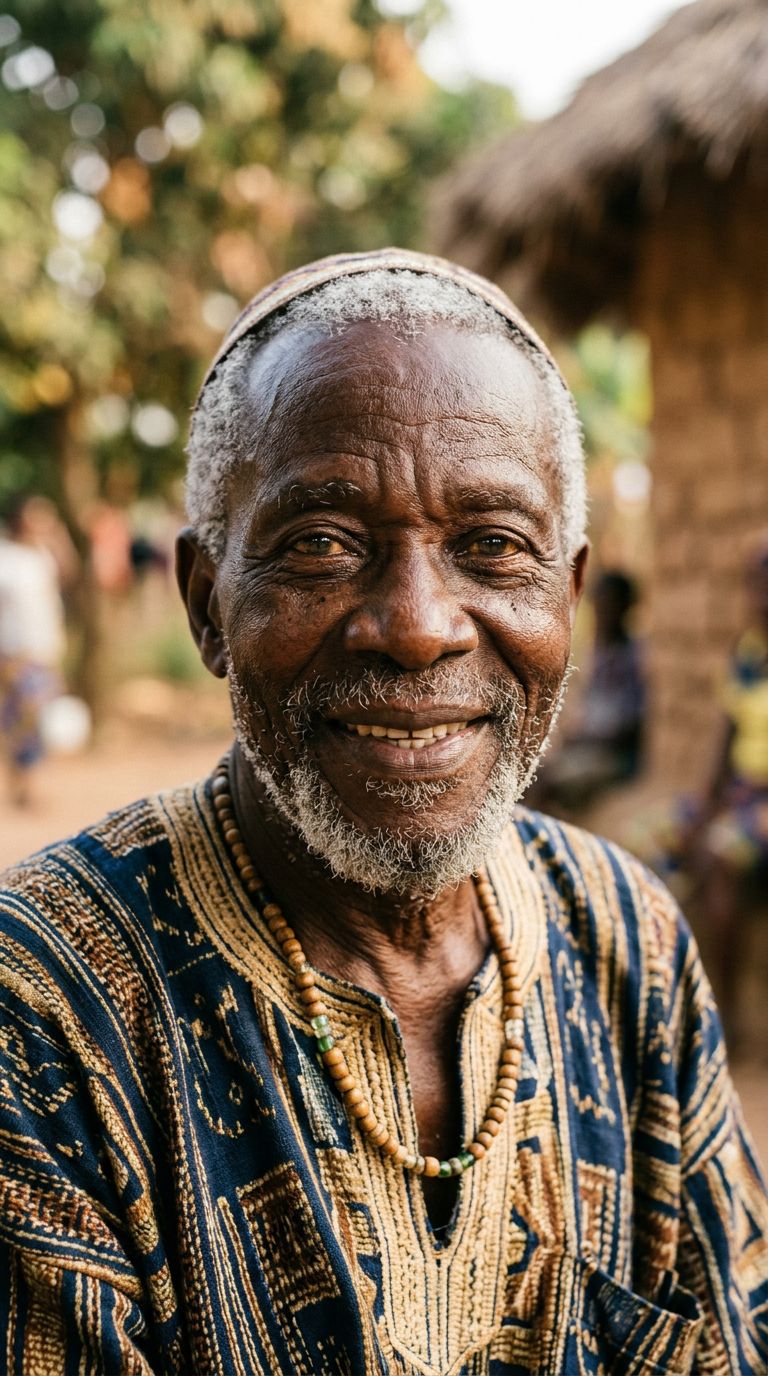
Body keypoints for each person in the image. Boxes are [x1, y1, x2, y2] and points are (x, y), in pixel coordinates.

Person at [0, 249, 765, 1375]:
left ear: (569, 589)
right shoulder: (45, 1010)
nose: (416, 625)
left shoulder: (625, 943)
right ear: (208, 603)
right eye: (320, 543)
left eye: (493, 546)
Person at [529, 569, 646, 812]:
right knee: (533, 773)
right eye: (599, 605)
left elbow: (628, 726)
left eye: (609, 606)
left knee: (547, 781)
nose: (602, 613)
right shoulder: (599, 652)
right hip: (588, 746)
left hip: (615, 756)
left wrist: (585, 736)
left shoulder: (633, 658)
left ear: (625, 608)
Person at [0, 495, 67, 805]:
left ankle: (27, 784)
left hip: (44, 651)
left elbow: (70, 575)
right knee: (21, 719)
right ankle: (24, 785)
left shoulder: (43, 556)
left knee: (36, 720)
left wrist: (59, 538)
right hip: (15, 654)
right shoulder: (6, 557)